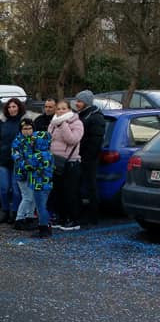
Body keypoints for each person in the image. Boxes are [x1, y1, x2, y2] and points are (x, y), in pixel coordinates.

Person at [11, 117, 54, 237]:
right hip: (24, 175)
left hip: (36, 179)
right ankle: (19, 219)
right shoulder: (18, 141)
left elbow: (33, 163)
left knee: (36, 201)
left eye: (30, 128)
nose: (27, 131)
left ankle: (31, 218)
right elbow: (17, 158)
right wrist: (26, 164)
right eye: (24, 129)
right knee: (28, 197)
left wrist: (30, 163)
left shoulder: (36, 143)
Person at [48, 99, 83, 230]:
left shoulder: (77, 123)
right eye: (58, 109)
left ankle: (73, 219)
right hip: (55, 161)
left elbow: (72, 139)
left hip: (70, 162)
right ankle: (60, 217)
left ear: (69, 109)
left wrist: (63, 124)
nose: (61, 111)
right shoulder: (53, 123)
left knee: (70, 192)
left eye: (64, 108)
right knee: (57, 192)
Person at [0, 97, 25, 223]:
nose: (11, 109)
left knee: (16, 189)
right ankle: (5, 211)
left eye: (14, 106)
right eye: (9, 107)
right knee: (4, 188)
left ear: (19, 107)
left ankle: (15, 213)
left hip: (17, 160)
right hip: (3, 160)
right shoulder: (2, 122)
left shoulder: (23, 122)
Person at [74, 90, 105, 226]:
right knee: (77, 186)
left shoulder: (95, 117)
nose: (77, 103)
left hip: (88, 159)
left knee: (91, 187)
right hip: (79, 157)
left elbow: (95, 140)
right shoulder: (82, 115)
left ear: (86, 102)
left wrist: (86, 157)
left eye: (79, 101)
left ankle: (93, 216)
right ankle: (80, 213)